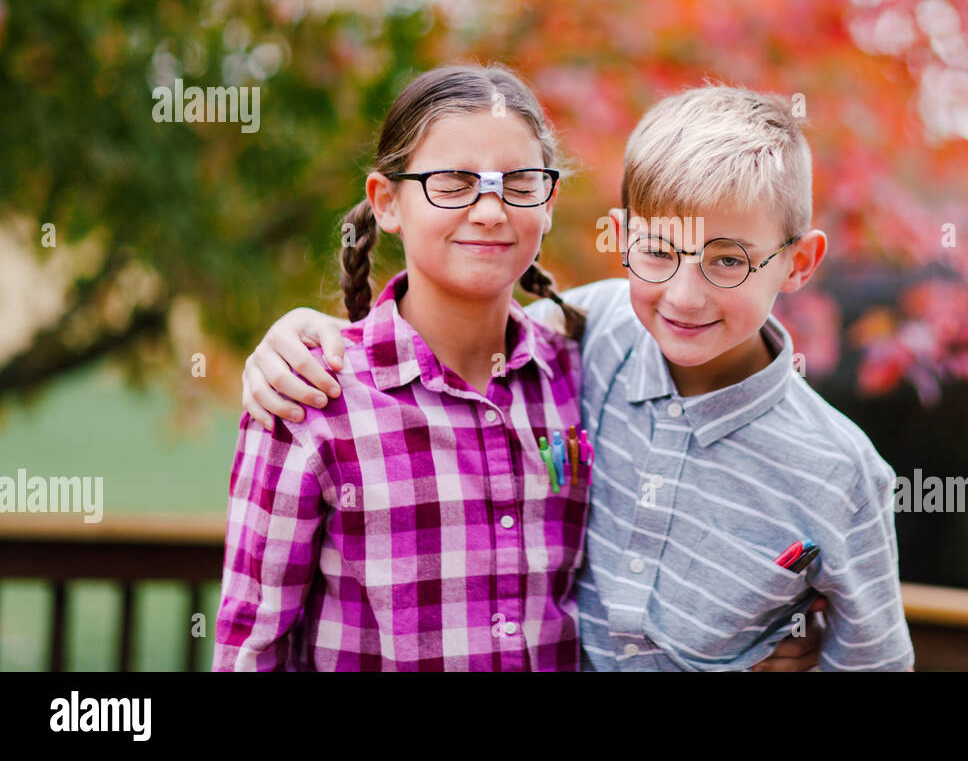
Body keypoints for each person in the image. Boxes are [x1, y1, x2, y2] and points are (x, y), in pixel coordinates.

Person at [242, 82, 913, 671]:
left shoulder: (840, 473)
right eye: (657, 252)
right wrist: (294, 331)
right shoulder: (592, 334)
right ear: (623, 238)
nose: (683, 297)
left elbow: (872, 657)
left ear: (798, 263)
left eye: (729, 261)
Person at [214, 64, 591, 670]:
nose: (491, 210)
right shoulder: (311, 397)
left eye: (520, 183)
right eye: (453, 181)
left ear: (547, 205)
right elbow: (251, 645)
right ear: (387, 202)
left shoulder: (577, 373)